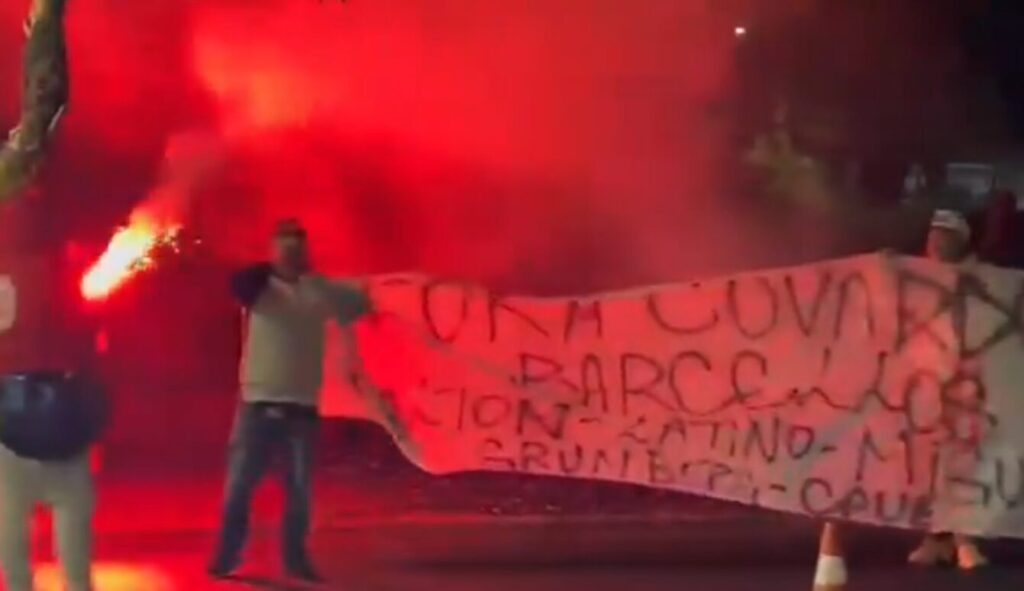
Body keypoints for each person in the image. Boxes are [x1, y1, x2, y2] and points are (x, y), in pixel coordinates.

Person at [209, 218, 408, 583]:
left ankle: (295, 560)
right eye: (283, 248)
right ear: (273, 251)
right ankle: (227, 556)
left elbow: (360, 304)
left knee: (299, 493)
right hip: (257, 404)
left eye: (296, 248)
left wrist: (331, 286)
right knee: (240, 486)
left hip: (300, 410)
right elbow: (236, 285)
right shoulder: (259, 288)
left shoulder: (319, 291)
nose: (290, 255)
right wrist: (269, 269)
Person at [0, 2, 110, 591]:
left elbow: (41, 119)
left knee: (33, 550)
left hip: (33, 395)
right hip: (27, 398)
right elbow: (40, 119)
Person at [906, 209, 988, 570]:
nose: (936, 242)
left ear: (962, 242)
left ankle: (964, 539)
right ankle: (936, 538)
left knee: (962, 462)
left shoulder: (982, 280)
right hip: (925, 383)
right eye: (933, 234)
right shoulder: (914, 277)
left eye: (946, 236)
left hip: (966, 384)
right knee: (928, 466)